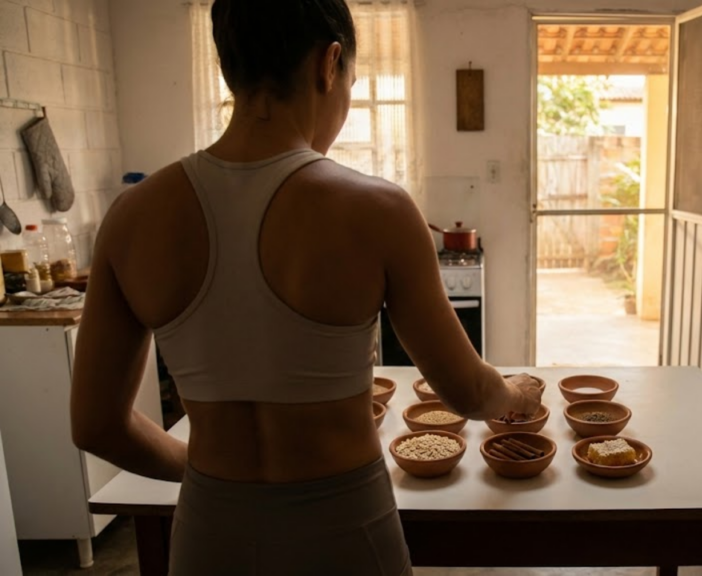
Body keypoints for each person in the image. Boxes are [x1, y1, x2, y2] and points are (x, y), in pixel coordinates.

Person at [69, 1, 541, 573]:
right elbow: (468, 392)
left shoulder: (132, 216)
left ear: (230, 68)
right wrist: (516, 393)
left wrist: (206, 475)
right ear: (329, 64)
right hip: (344, 529)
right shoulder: (378, 209)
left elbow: (96, 425)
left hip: (210, 533)